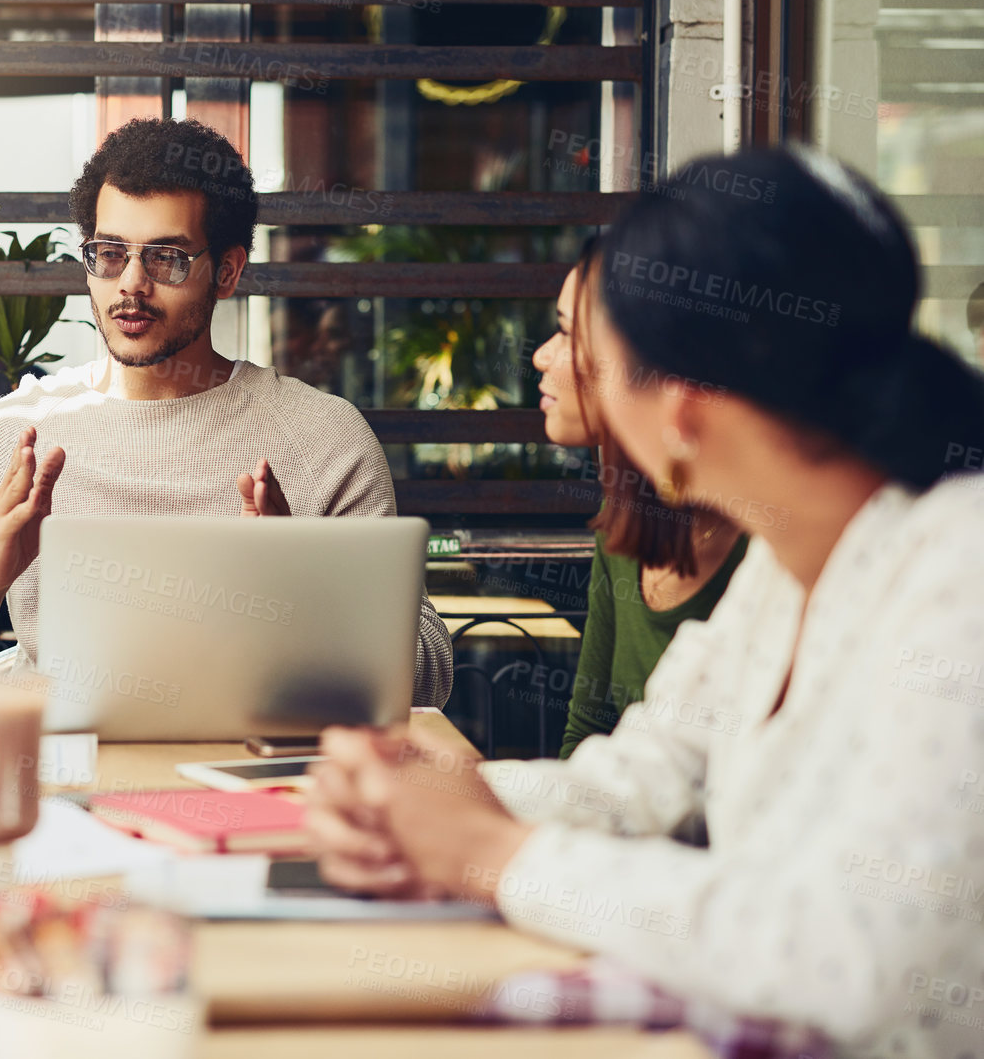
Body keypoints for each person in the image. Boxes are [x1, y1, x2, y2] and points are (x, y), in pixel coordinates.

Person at [306, 148, 984, 1057]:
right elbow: (635, 784)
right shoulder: (794, 566)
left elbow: (856, 957)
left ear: (681, 411)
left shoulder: (958, 567)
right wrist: (432, 801)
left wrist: (494, 854)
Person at [0, 118, 454, 704]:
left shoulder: (322, 439)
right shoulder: (3, 440)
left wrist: (301, 584)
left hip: (254, 774)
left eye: (167, 259)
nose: (131, 285)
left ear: (226, 271)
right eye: (108, 253)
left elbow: (429, 674)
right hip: (58, 779)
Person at [532, 237, 746, 757]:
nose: (540, 355)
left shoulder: (770, 553)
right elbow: (589, 736)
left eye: (565, 331)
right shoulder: (626, 525)